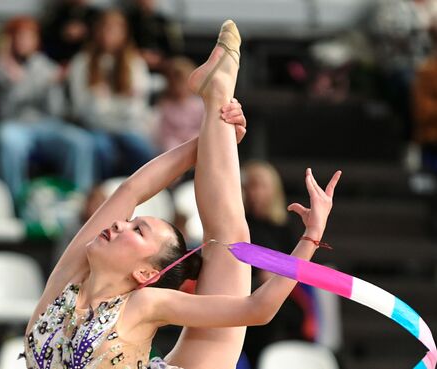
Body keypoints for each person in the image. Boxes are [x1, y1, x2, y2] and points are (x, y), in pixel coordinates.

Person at [24, 20, 341, 369]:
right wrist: (208, 139)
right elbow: (131, 190)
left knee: (227, 242)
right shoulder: (65, 283)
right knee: (227, 238)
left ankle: (218, 92)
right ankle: (216, 98)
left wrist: (311, 238)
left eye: (137, 230)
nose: (119, 225)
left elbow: (257, 309)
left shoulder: (144, 305)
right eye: (132, 225)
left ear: (146, 275)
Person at [0, 16, 95, 198]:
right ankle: (16, 201)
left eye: (28, 37)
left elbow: (57, 111)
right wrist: (43, 84)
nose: (23, 42)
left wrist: (55, 87)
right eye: (19, 37)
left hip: (46, 124)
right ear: (10, 40)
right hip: (16, 125)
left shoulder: (46, 66)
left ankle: (78, 201)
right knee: (8, 140)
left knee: (81, 142)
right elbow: (7, 108)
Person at [241, 161, 318, 368]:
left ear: (273, 189)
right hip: (250, 292)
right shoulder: (242, 224)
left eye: (260, 186)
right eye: (250, 186)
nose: (254, 192)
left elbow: (299, 265)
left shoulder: (284, 226)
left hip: (285, 293)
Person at [68, 9, 155, 180]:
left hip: (127, 126)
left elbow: (137, 106)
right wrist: (101, 102)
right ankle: (102, 194)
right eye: (105, 29)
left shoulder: (134, 62)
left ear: (124, 34)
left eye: (115, 30)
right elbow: (80, 108)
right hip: (95, 127)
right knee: (101, 149)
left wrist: (110, 104)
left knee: (143, 149)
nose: (109, 35)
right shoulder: (82, 62)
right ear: (96, 32)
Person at [154, 57, 204, 153]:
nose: (179, 87)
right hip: (174, 145)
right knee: (170, 145)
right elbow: (165, 133)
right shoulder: (166, 106)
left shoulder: (199, 105)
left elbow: (204, 129)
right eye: (176, 83)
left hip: (194, 141)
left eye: (182, 83)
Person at [126, 0, 184, 71]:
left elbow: (175, 48)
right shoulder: (129, 20)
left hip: (162, 63)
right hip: (135, 61)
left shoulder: (164, 21)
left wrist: (159, 58)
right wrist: (140, 54)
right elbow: (125, 44)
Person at [41, 0, 100, 65]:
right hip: (56, 61)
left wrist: (85, 32)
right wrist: (63, 32)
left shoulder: (95, 15)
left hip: (87, 60)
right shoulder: (57, 12)